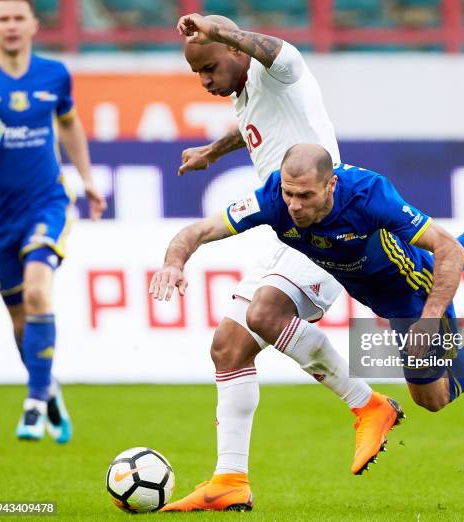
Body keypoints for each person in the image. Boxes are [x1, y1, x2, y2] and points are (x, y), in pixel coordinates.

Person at [151, 144, 464, 511]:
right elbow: (200, 231)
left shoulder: (369, 195)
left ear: (331, 185)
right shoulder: (274, 197)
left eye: (306, 196)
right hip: (372, 285)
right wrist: (174, 261)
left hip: (411, 296)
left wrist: (429, 319)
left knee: (433, 396)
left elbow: (447, 248)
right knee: (266, 313)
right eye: (289, 194)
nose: (294, 205)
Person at [172, 12, 403, 506]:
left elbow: (277, 51)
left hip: (329, 223)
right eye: (197, 73)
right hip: (288, 231)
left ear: (236, 49)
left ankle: (368, 405)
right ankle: (229, 482)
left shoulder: (279, 71)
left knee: (264, 314)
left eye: (209, 66)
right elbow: (251, 128)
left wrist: (222, 32)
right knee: (229, 346)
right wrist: (214, 150)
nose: (205, 80)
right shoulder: (247, 94)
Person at [0, 0, 106, 442]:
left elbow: (69, 123)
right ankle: (48, 387)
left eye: (19, 17)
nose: (12, 25)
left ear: (34, 25)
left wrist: (88, 178)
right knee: (20, 318)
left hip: (46, 203)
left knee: (40, 289)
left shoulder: (54, 74)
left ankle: (34, 405)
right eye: (3, 18)